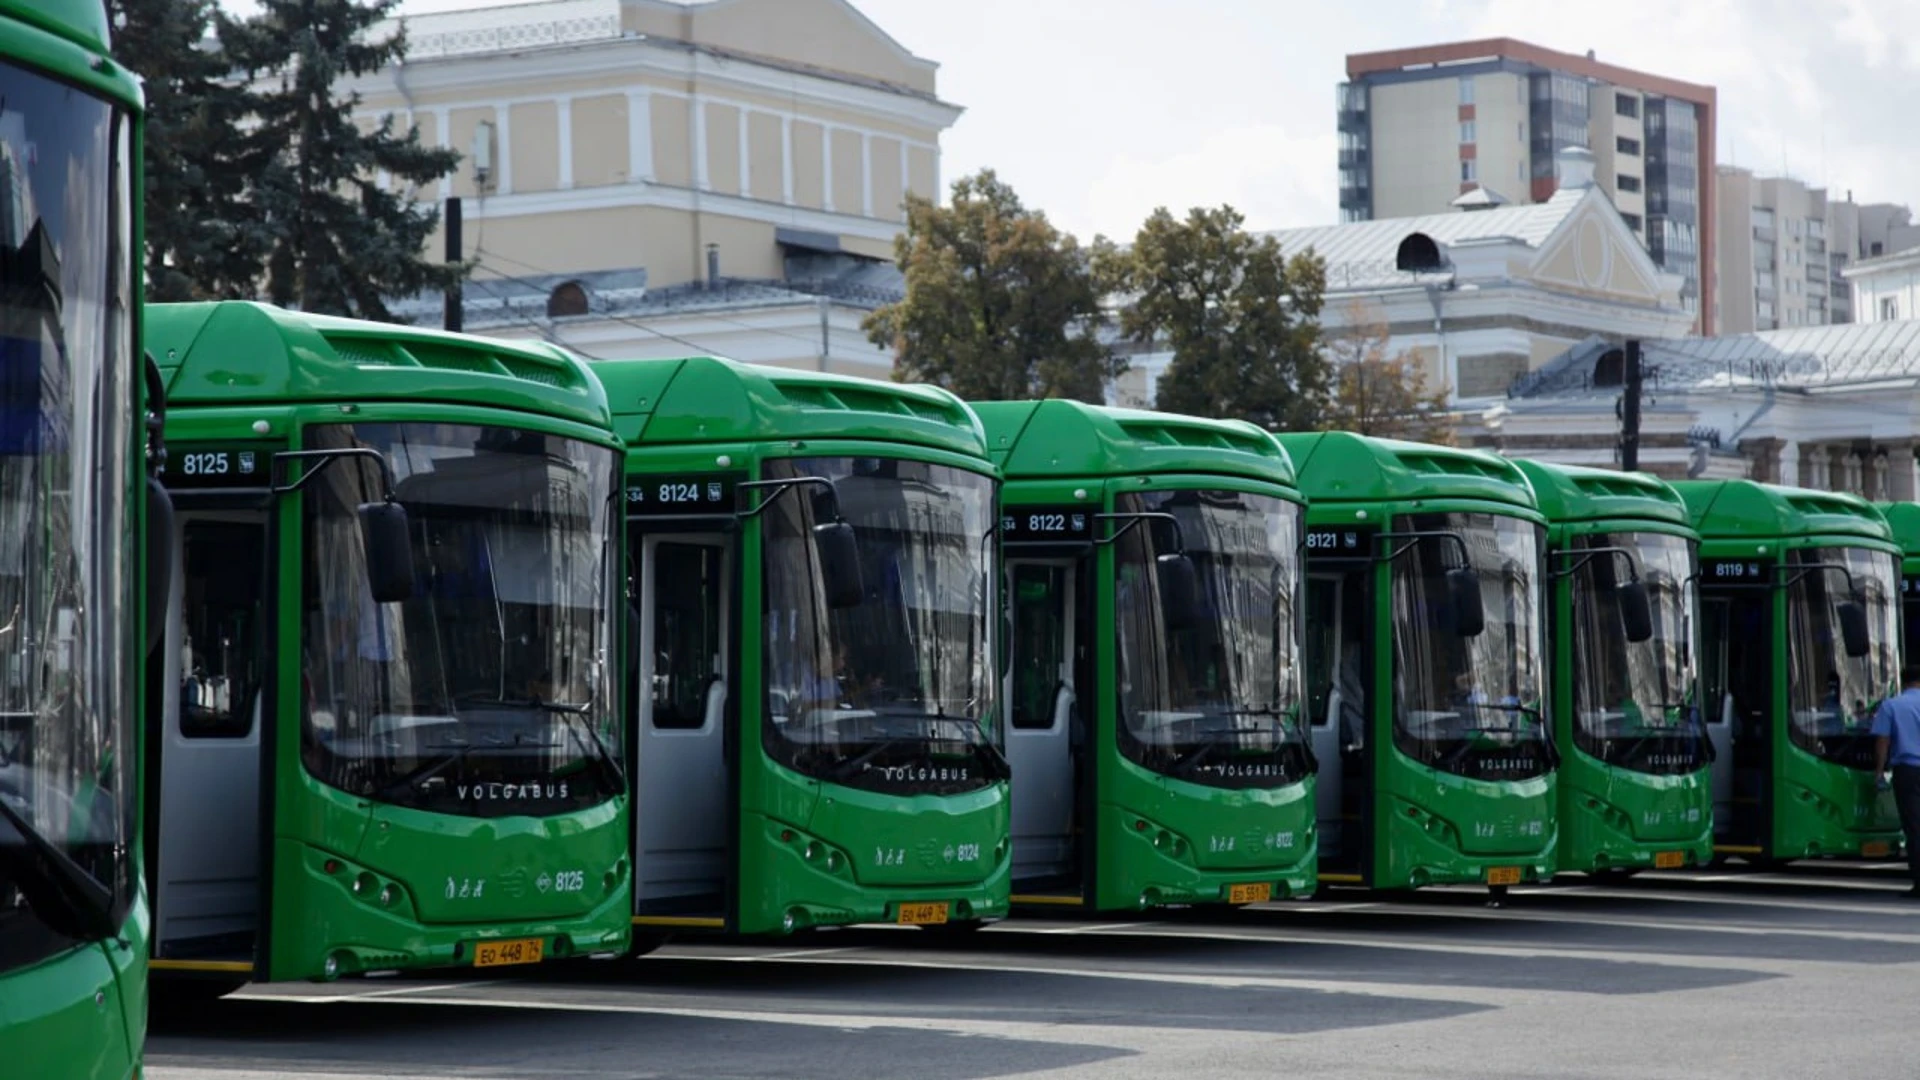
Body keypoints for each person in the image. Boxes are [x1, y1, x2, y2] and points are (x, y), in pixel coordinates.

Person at [1869, 664, 1920, 898]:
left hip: (1907, 771)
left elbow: (1883, 741)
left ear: (1904, 681)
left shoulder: (1891, 706)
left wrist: (1879, 772)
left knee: (1914, 827)